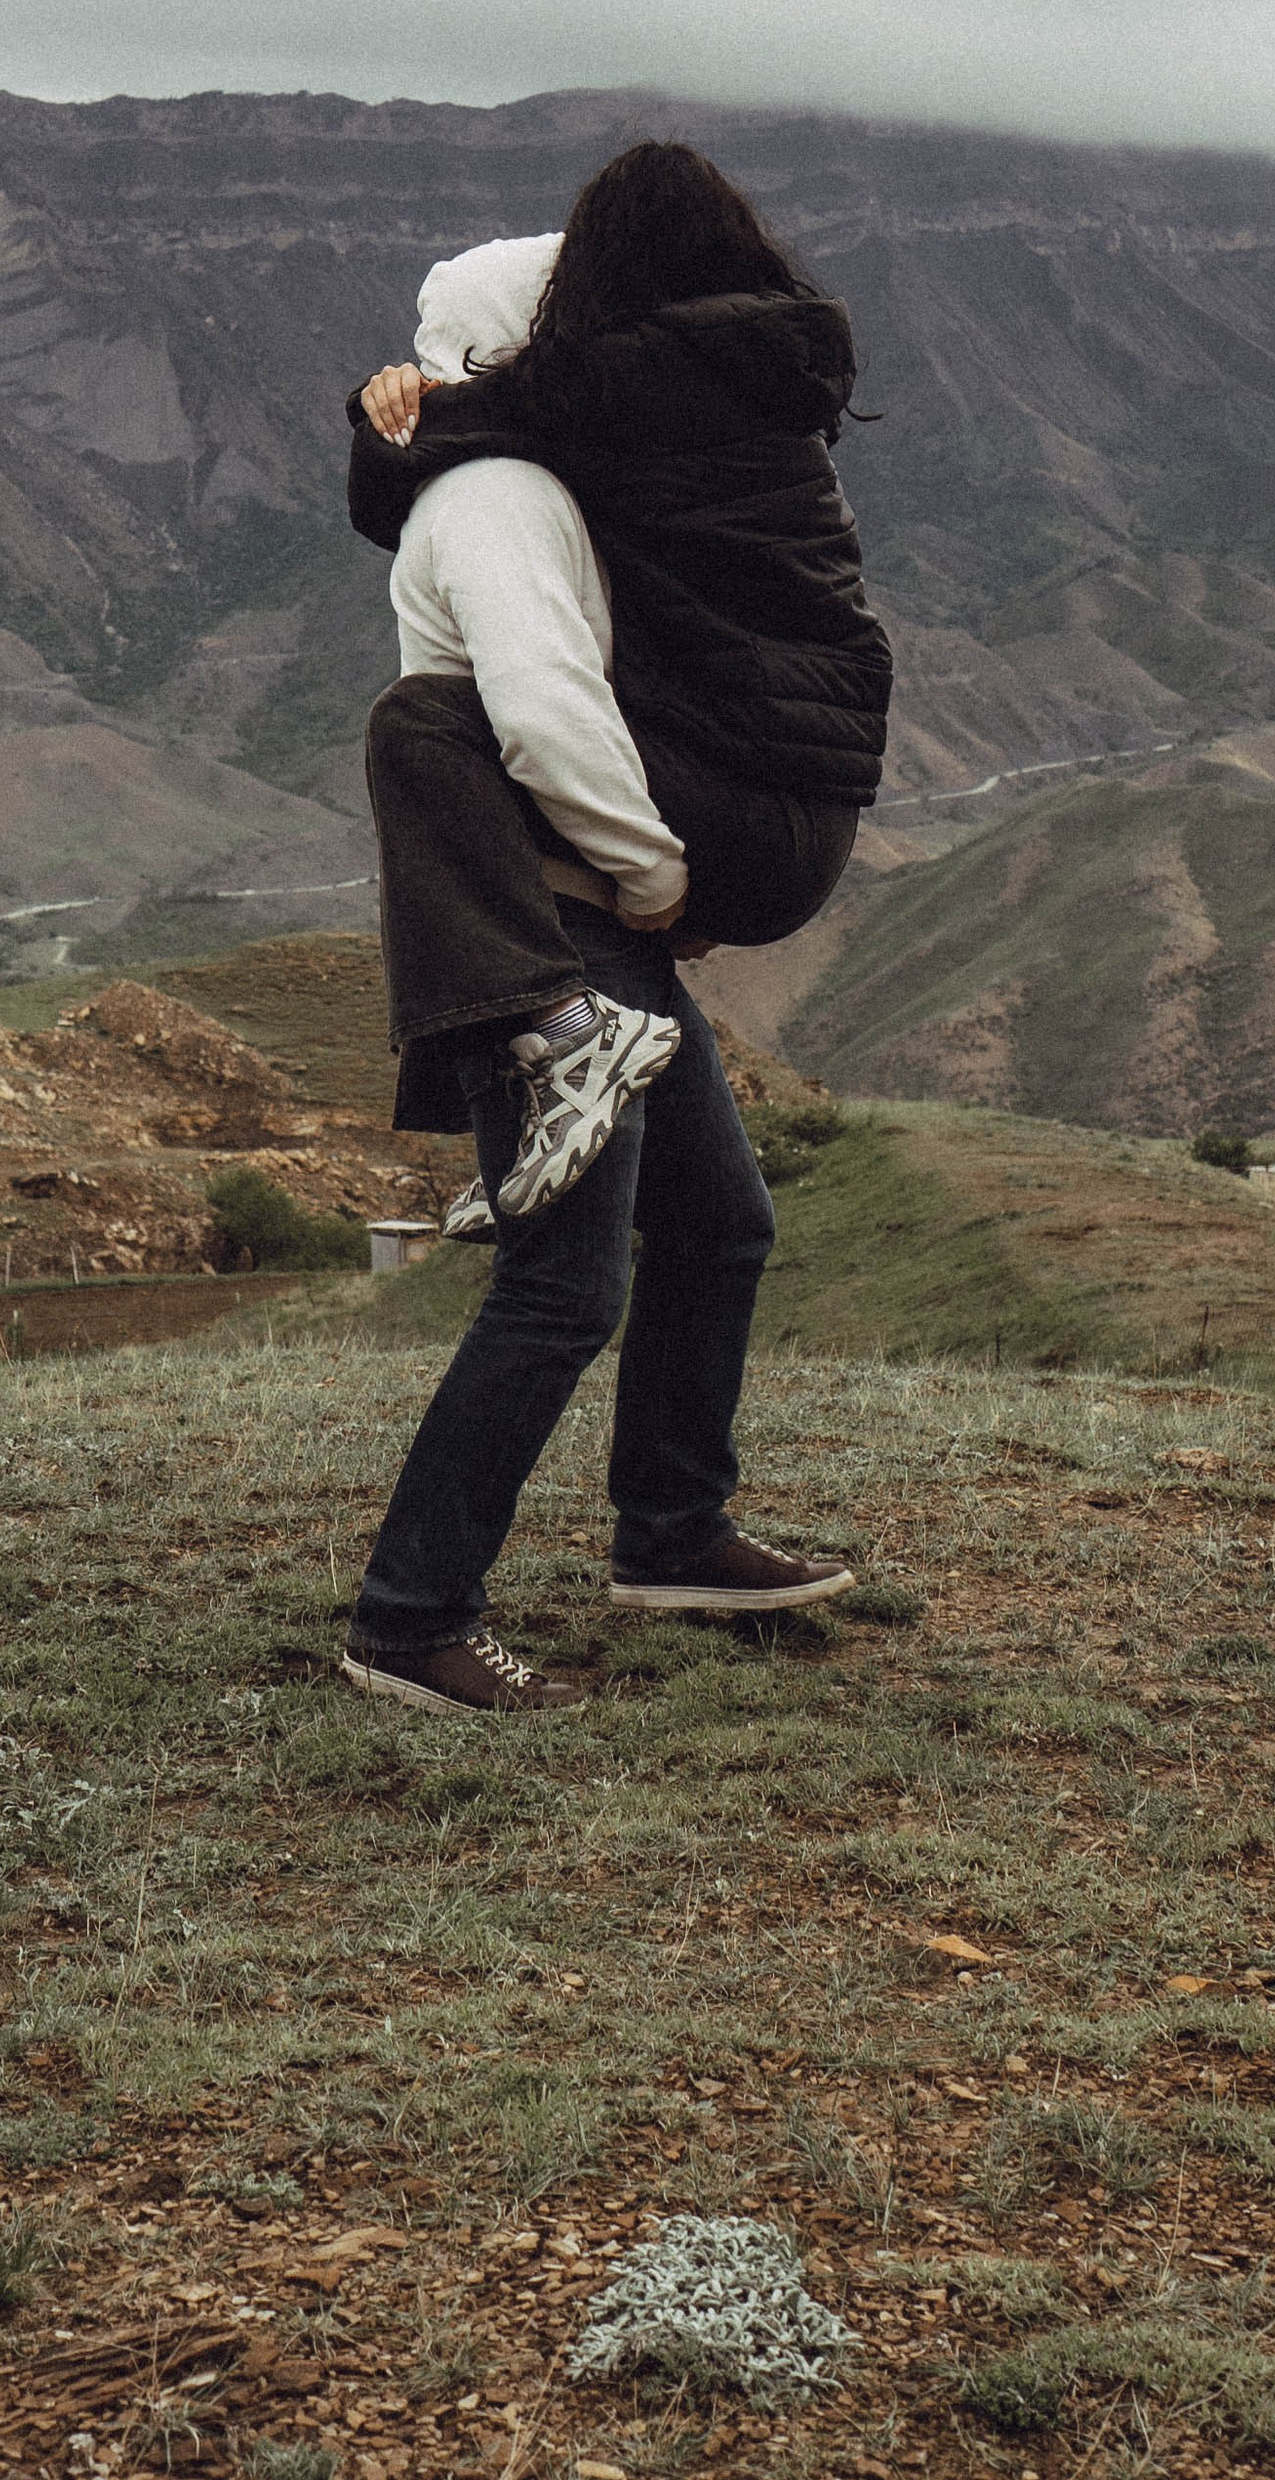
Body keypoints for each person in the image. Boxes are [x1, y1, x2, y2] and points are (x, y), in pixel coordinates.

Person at [336, 142, 892, 1718]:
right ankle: (410, 1617)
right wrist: (658, 879)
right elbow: (544, 715)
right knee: (563, 1287)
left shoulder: (544, 458)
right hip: (567, 920)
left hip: (599, 920)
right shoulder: (501, 494)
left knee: (721, 1228)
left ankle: (672, 1530)